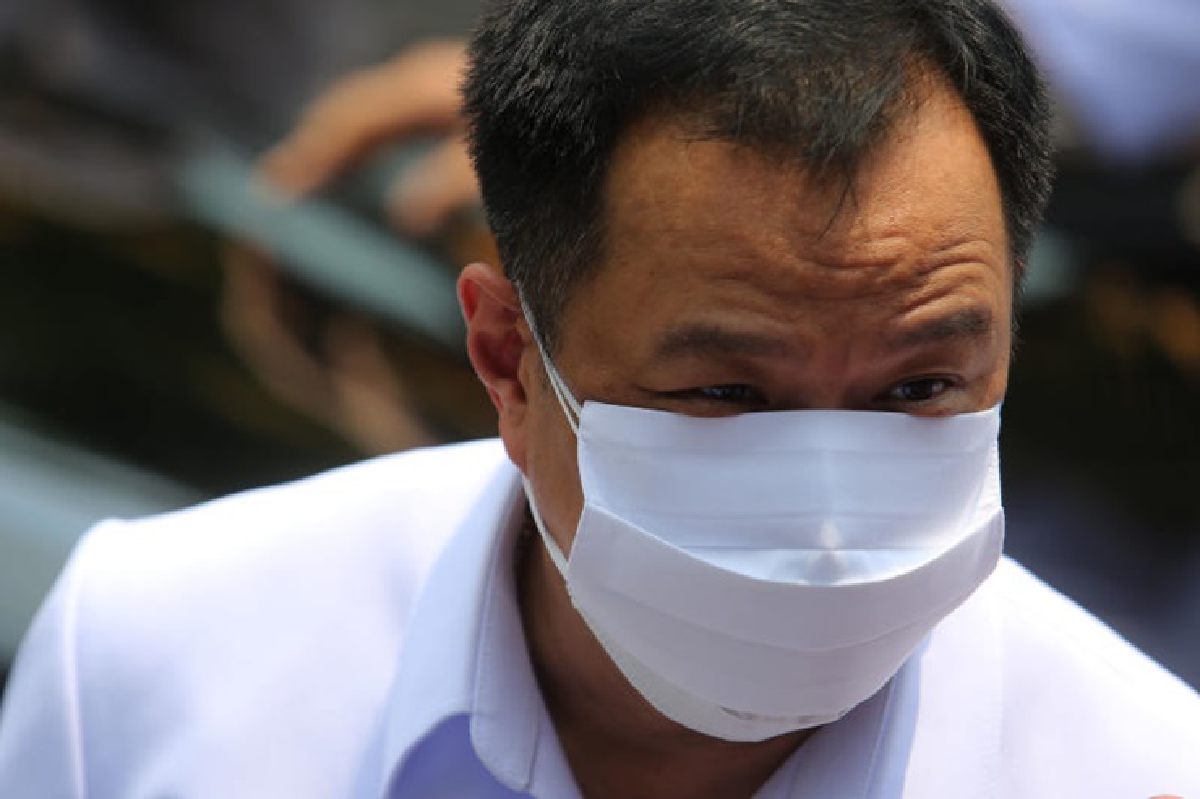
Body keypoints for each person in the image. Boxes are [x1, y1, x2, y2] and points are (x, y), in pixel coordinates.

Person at [1, 1, 1199, 797]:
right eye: (727, 391)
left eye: (922, 387)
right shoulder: (151, 660)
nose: (834, 521)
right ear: (507, 358)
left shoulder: (1139, 766)